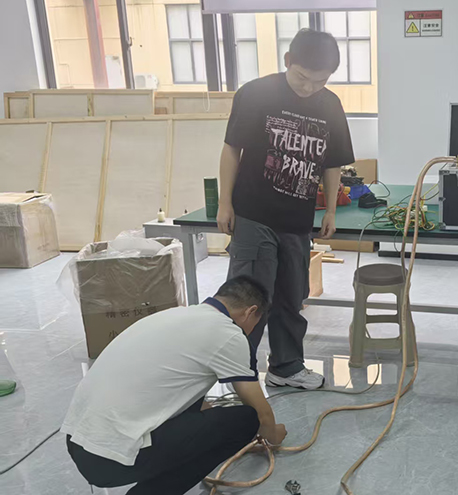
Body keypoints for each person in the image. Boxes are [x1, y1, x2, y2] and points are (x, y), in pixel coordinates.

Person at [216, 28, 355, 390]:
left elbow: (332, 163)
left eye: (320, 81)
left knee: (292, 298)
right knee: (248, 299)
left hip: (296, 221)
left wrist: (330, 211)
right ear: (287, 61)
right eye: (302, 77)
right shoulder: (255, 93)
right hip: (254, 213)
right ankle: (238, 373)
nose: (309, 88)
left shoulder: (330, 105)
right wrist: (224, 202)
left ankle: (286, 366)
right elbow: (232, 149)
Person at [62, 276, 287, 494]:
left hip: (78, 442)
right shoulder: (228, 333)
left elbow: (187, 398)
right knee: (245, 420)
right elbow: (261, 415)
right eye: (255, 324)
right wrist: (273, 435)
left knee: (201, 406)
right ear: (250, 312)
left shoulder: (174, 315)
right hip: (110, 459)